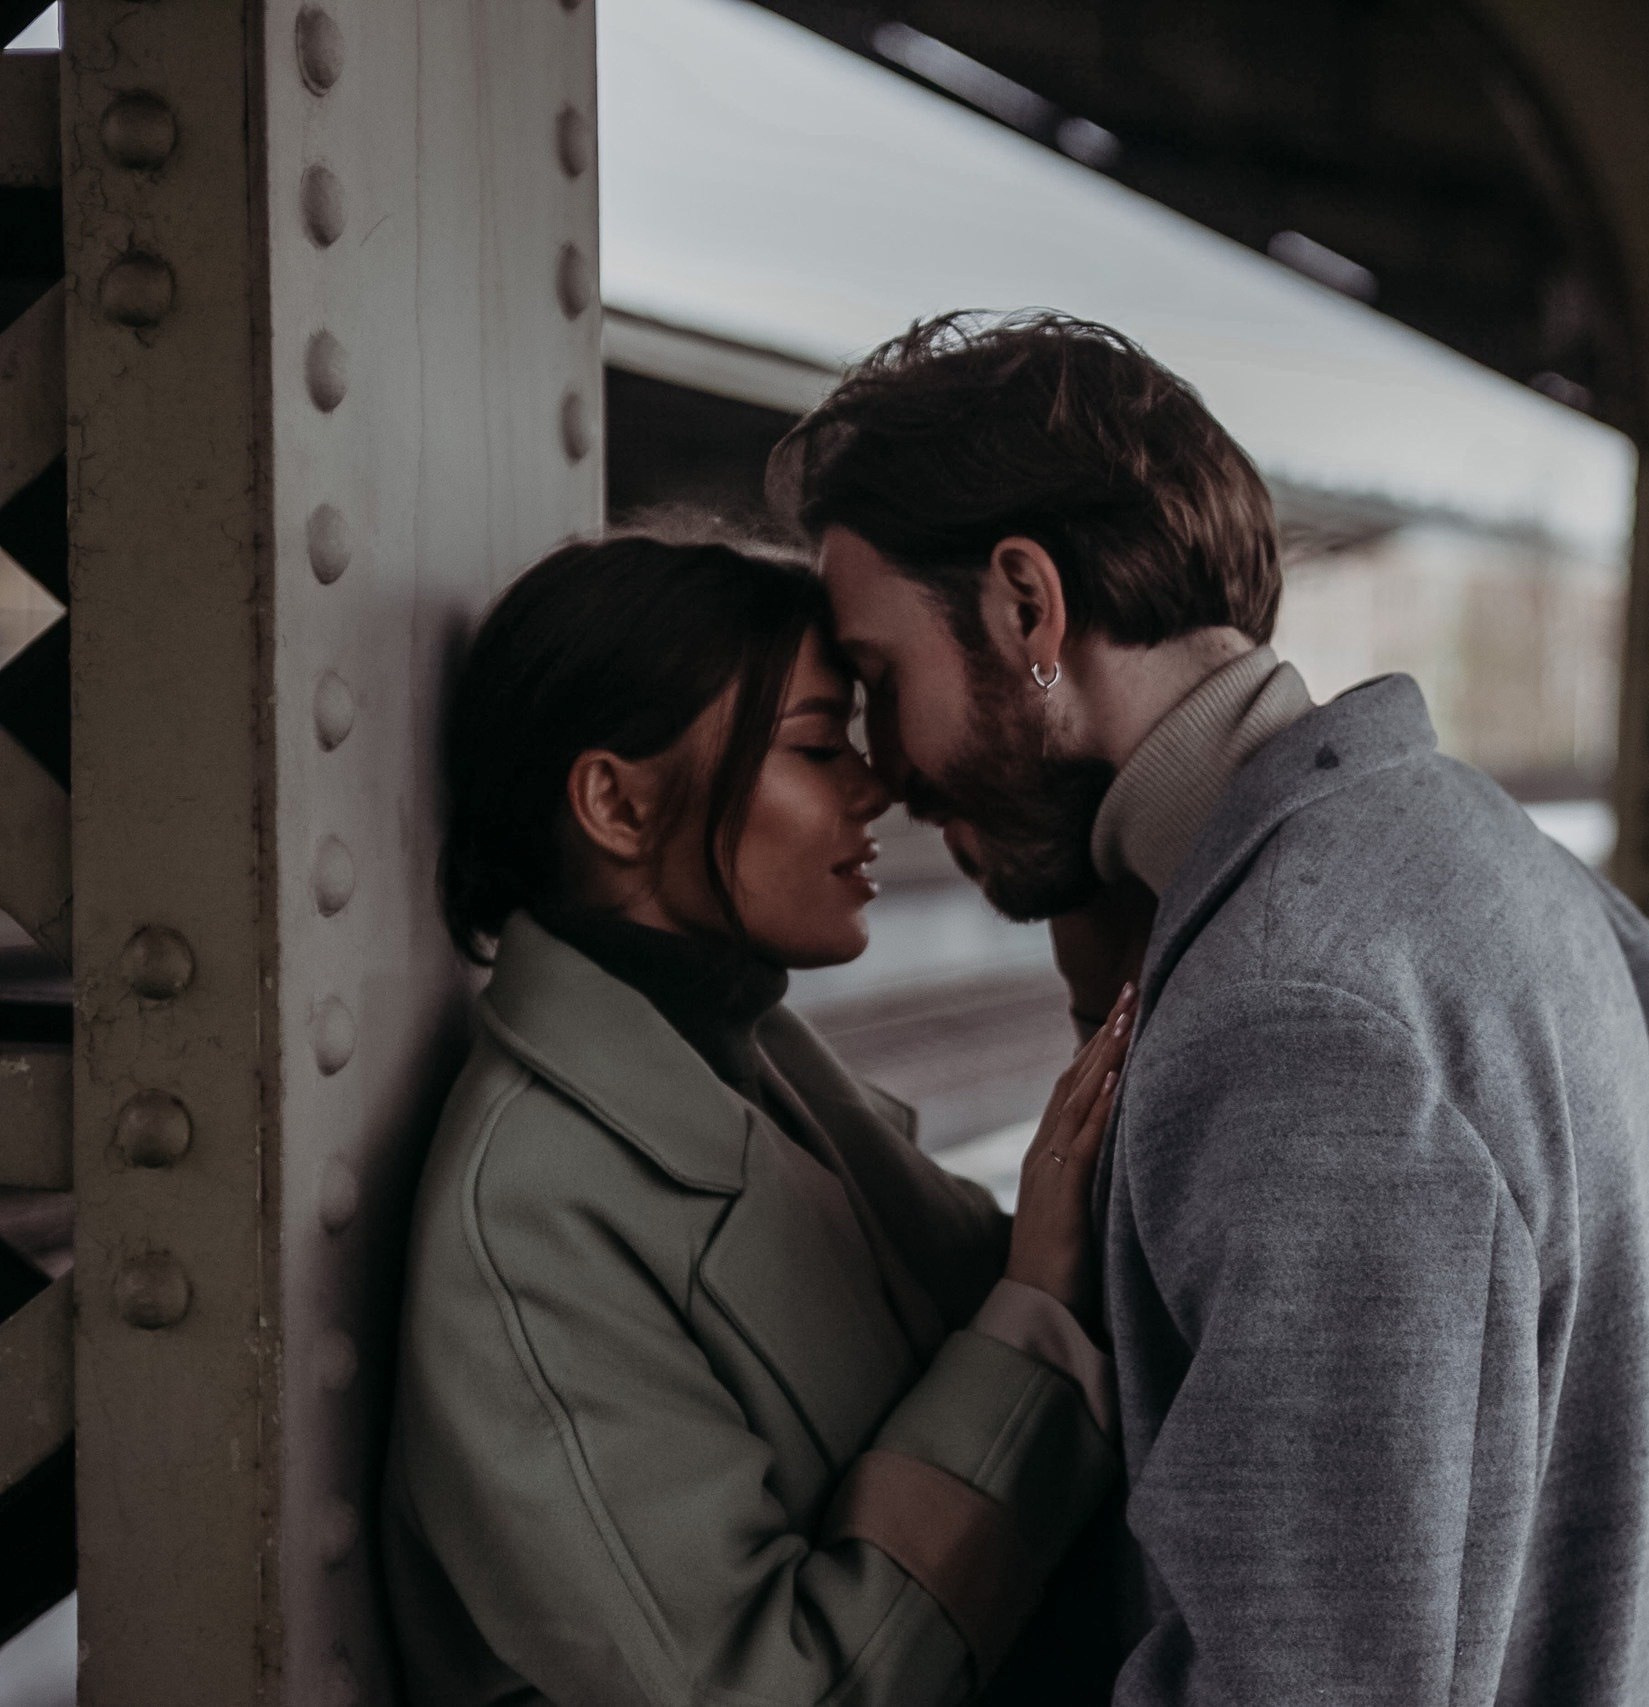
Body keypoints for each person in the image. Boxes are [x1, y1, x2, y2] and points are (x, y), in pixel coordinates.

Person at [768, 311, 1649, 1706]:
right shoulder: (1502, 864)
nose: (886, 767)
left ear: (1026, 607)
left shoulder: (1295, 1015)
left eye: (881, 681)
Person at [384, 531, 1133, 1706]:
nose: (874, 786)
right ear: (616, 805)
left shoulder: (744, 1048)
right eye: (818, 747)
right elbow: (769, 1686)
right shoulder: (530, 1211)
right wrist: (1035, 1302)